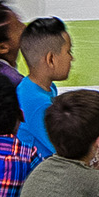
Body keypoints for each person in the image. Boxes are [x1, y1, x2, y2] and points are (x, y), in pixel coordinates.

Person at [14, 16, 72, 157]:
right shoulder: (38, 103)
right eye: (68, 52)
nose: (71, 58)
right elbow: (63, 149)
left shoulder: (35, 87)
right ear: (51, 59)